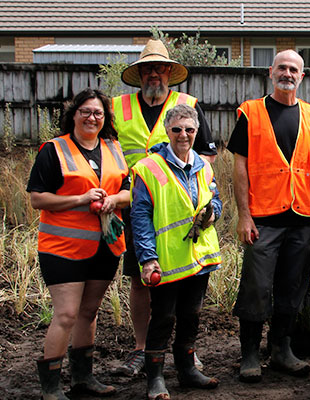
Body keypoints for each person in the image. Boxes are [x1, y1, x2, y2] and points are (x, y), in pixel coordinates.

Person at [112, 39, 218, 376]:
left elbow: (207, 155)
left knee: (187, 285)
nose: (153, 74)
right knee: (142, 279)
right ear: (139, 74)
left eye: (159, 68)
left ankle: (187, 355)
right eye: (147, 69)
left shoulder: (188, 104)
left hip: (180, 210)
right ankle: (142, 350)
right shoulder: (118, 107)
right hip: (134, 205)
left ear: (170, 73)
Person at [228, 50, 310, 383]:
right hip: (264, 217)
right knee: (257, 286)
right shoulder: (251, 112)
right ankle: (250, 354)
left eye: (294, 69)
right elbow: (239, 165)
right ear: (271, 72)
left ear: (303, 76)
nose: (288, 73)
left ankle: (282, 349)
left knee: (293, 285)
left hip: (301, 215)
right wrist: (244, 216)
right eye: (282, 68)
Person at [28, 88, 128, 399]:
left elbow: (129, 190)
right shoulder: (53, 150)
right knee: (67, 315)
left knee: (89, 312)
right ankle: (52, 386)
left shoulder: (113, 147)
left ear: (105, 118)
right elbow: (37, 198)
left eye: (98, 113)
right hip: (63, 248)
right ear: (73, 114)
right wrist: (80, 199)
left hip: (105, 246)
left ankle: (83, 377)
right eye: (85, 111)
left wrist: (113, 200)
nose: (92, 117)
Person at [130, 104, 223, 400]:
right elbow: (140, 217)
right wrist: (147, 259)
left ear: (196, 132)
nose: (183, 135)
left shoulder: (203, 165)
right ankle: (155, 379)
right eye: (177, 129)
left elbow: (215, 200)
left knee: (191, 315)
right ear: (167, 131)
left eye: (189, 130)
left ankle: (187, 370)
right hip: (167, 260)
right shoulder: (149, 168)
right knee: (163, 318)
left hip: (198, 259)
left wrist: (212, 215)